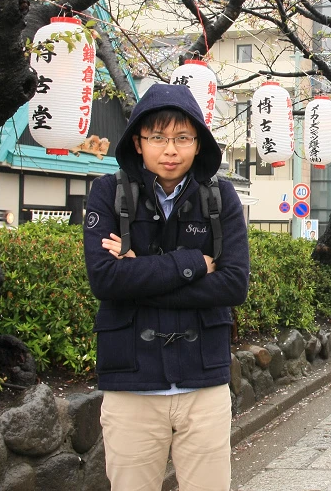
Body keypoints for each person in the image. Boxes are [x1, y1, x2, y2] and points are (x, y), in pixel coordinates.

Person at [83, 84, 250, 491]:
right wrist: (193, 264)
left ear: (198, 144)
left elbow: (233, 283)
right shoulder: (109, 193)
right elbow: (105, 278)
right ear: (138, 143)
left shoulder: (219, 196)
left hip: (204, 382)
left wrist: (140, 274)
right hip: (131, 382)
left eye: (182, 138)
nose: (170, 149)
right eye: (157, 137)